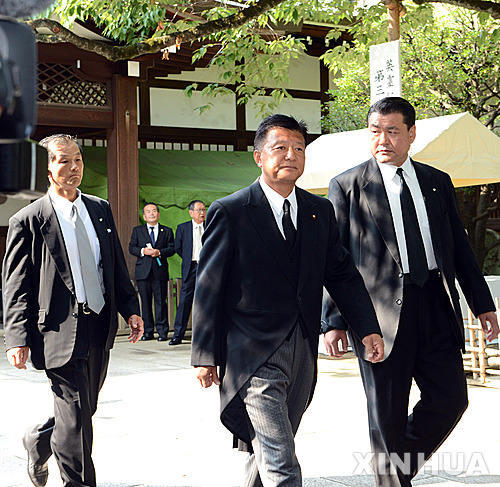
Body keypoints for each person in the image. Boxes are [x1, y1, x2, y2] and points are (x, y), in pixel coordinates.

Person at [191, 114, 384, 487]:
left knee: (270, 449)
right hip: (252, 354)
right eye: (280, 148)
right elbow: (209, 287)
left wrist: (366, 327)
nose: (291, 155)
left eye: (298, 148)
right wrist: (205, 355)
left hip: (302, 349)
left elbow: (342, 274)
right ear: (258, 157)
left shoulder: (319, 211)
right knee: (281, 460)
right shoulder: (230, 211)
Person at [322, 97, 500, 487]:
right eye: (374, 131)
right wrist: (333, 321)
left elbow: (459, 246)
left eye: (392, 131)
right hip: (377, 315)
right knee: (385, 412)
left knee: (451, 399)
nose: (382, 139)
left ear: (411, 134)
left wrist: (482, 303)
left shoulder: (437, 182)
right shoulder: (348, 186)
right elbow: (335, 259)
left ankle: (393, 470)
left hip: (436, 303)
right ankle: (392, 479)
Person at [2, 134, 144, 487]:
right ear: (48, 169)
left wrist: (130, 309)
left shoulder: (100, 209)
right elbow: (15, 284)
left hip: (98, 324)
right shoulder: (30, 219)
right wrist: (16, 336)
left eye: (78, 159)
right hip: (56, 329)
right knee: (78, 417)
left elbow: (112, 265)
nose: (74, 167)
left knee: (83, 410)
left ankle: (38, 441)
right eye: (64, 160)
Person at [129, 202, 175, 341]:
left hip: (159, 271)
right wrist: (143, 251)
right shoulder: (138, 230)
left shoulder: (166, 231)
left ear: (159, 214)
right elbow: (132, 248)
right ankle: (147, 332)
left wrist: (159, 252)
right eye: (148, 211)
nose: (152, 213)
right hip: (143, 272)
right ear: (144, 216)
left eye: (154, 211)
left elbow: (172, 248)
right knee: (146, 302)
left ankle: (162, 332)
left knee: (161, 302)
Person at [170, 200, 206, 345]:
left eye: (204, 210)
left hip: (206, 267)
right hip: (190, 267)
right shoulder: (183, 228)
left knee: (205, 302)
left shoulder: (210, 226)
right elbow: (177, 247)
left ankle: (203, 337)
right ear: (191, 212)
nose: (202, 213)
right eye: (199, 210)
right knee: (184, 302)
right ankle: (178, 335)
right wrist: (188, 258)